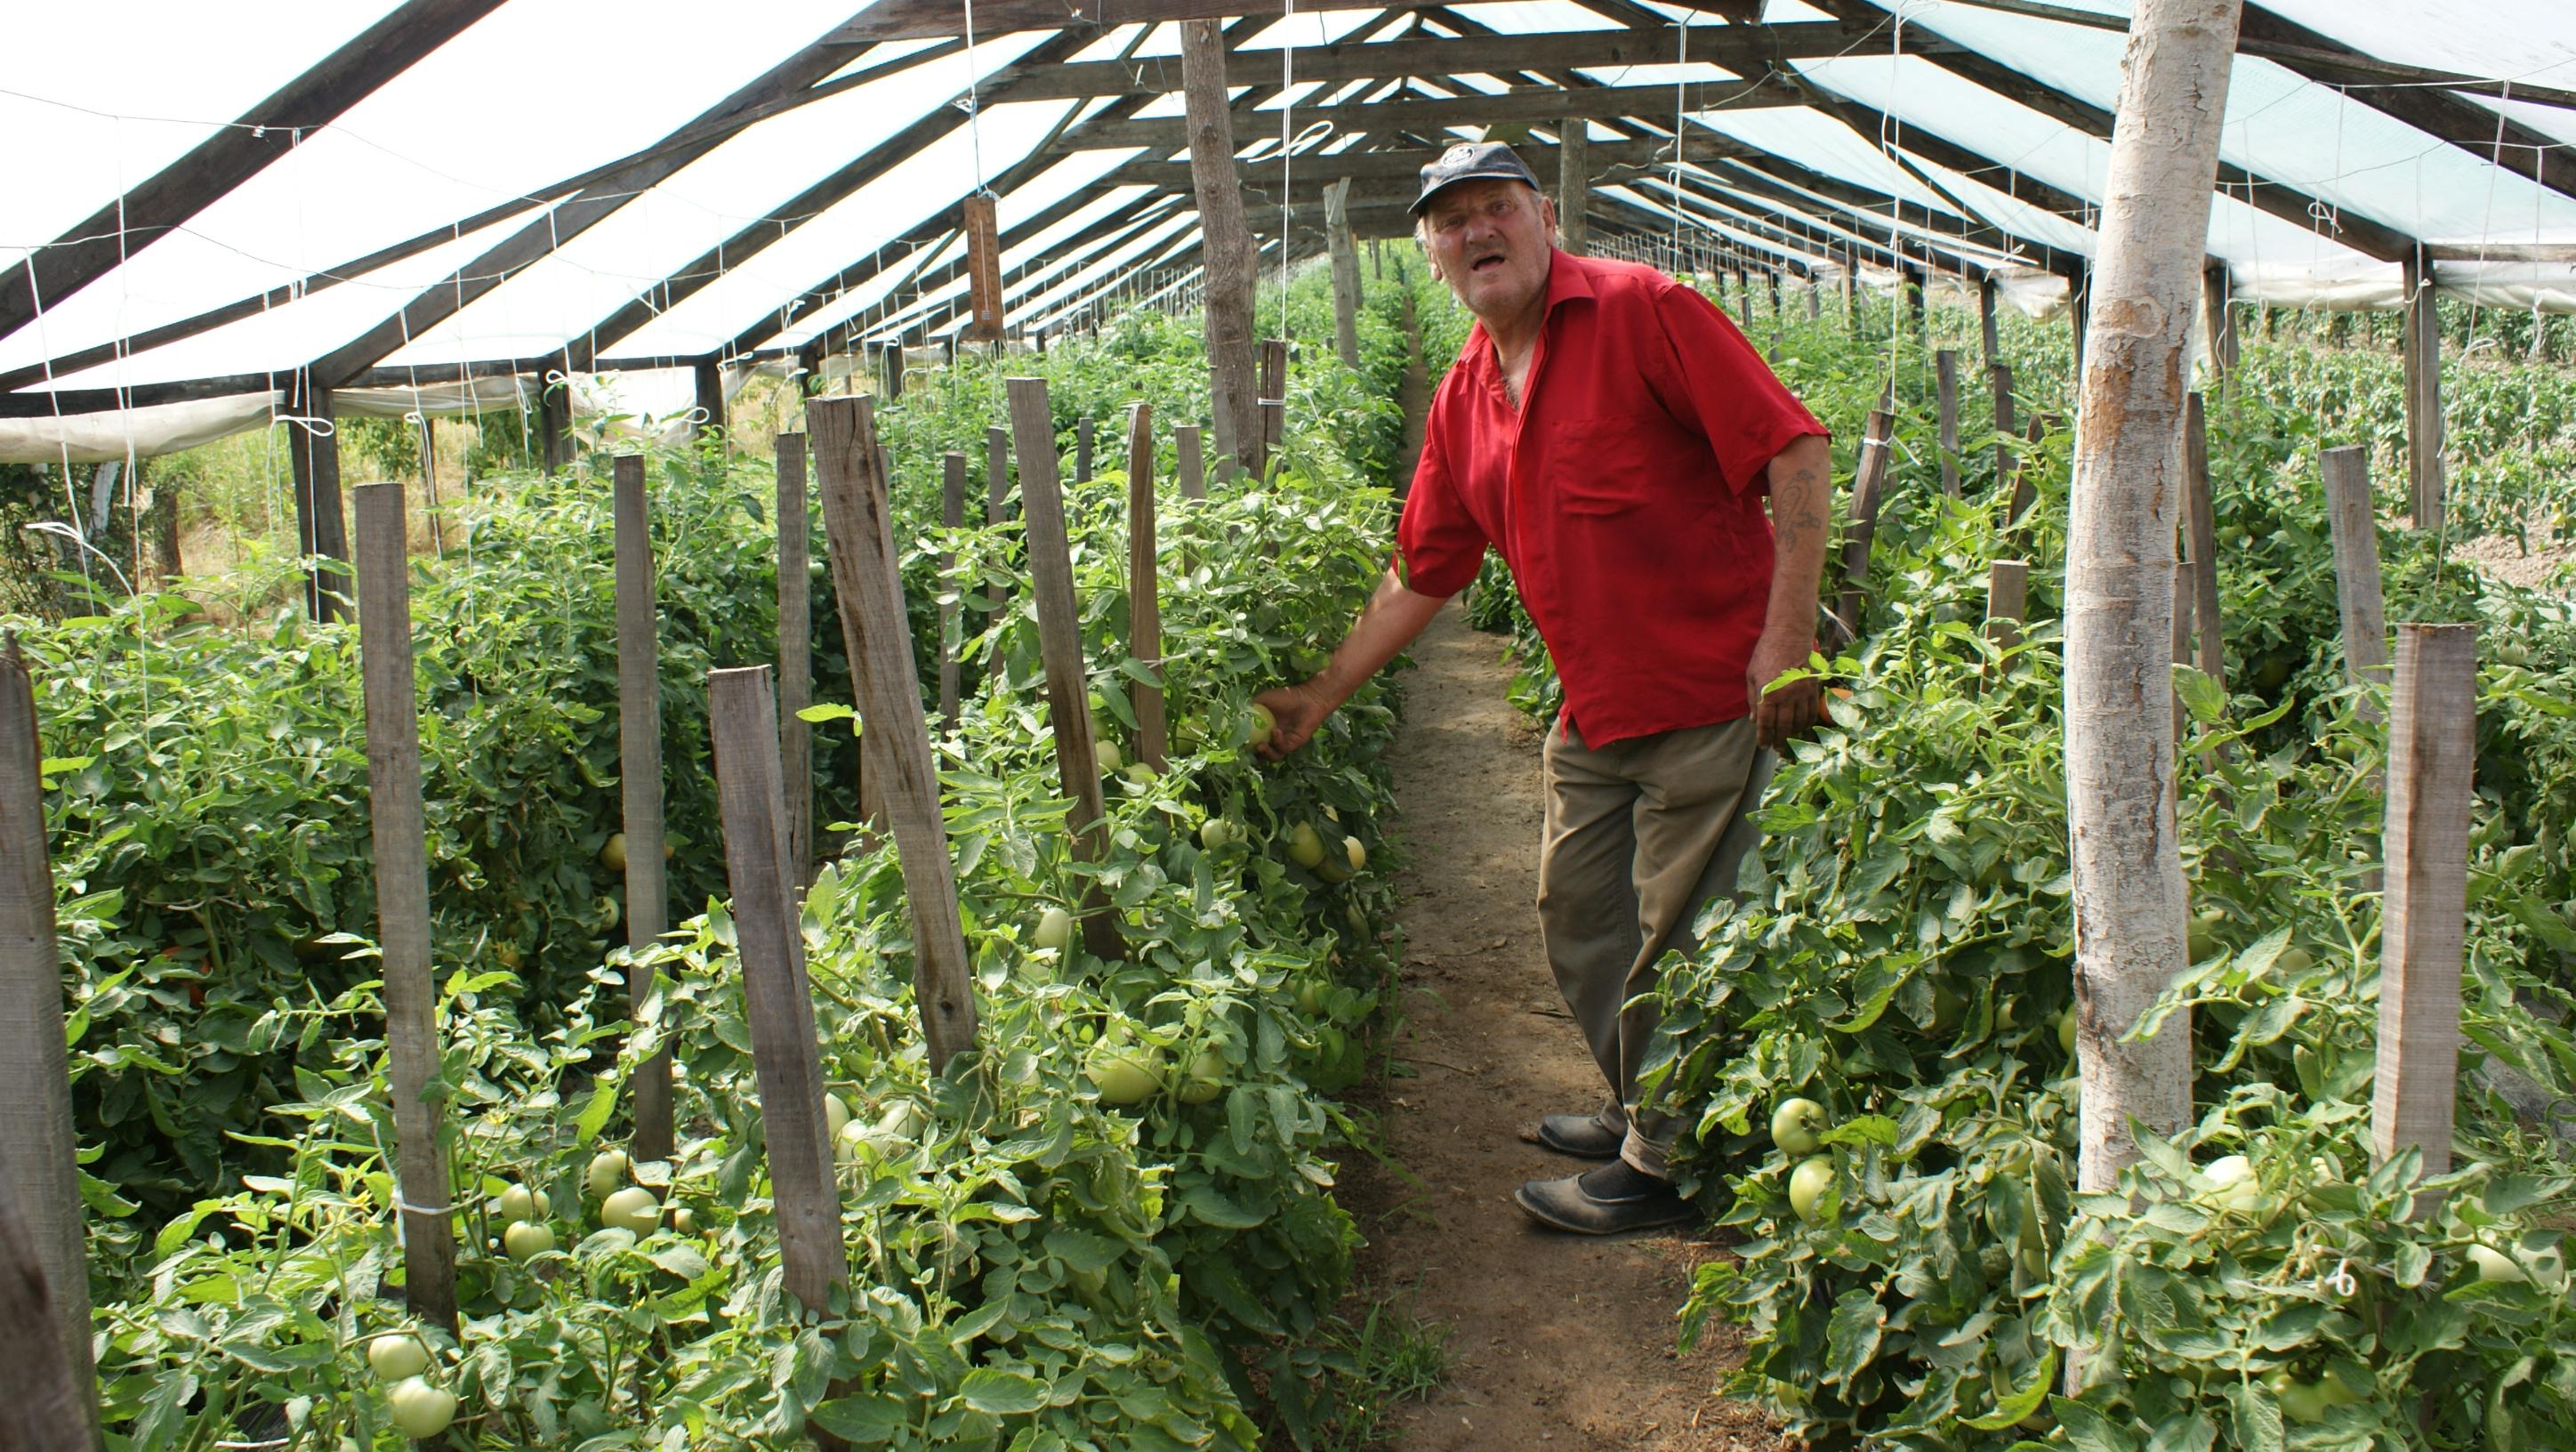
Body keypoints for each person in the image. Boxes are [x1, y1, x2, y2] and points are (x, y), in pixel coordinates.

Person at [1252, 141, 1834, 1235]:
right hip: (1595, 706)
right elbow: (1424, 567)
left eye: (1497, 208)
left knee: (1681, 932)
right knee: (1578, 915)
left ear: (1543, 216)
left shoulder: (1644, 309)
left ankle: (1667, 1162)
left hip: (1714, 691)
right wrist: (1321, 693)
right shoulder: (1464, 394)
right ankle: (1646, 1102)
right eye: (1452, 221)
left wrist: (1789, 636)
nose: (1478, 232)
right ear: (1428, 256)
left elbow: (1795, 454)